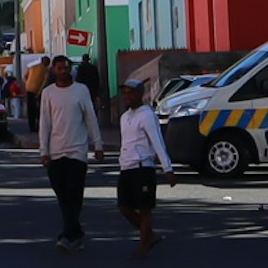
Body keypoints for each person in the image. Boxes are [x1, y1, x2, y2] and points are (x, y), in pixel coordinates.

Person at [34, 56, 101, 246]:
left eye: (66, 68)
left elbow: (90, 118)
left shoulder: (81, 90)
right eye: (59, 68)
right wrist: (43, 151)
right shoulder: (48, 93)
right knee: (62, 195)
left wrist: (98, 145)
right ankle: (75, 230)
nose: (63, 71)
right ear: (54, 71)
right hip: (55, 152)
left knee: (74, 193)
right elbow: (45, 124)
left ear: (71, 69)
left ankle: (68, 233)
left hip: (77, 151)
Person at [114, 78, 168, 253]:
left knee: (144, 208)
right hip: (127, 167)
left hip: (143, 167)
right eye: (125, 93)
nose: (127, 96)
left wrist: (168, 168)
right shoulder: (124, 117)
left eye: (131, 92)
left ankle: (144, 244)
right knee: (124, 207)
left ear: (140, 94)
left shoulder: (147, 115)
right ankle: (149, 235)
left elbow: (157, 142)